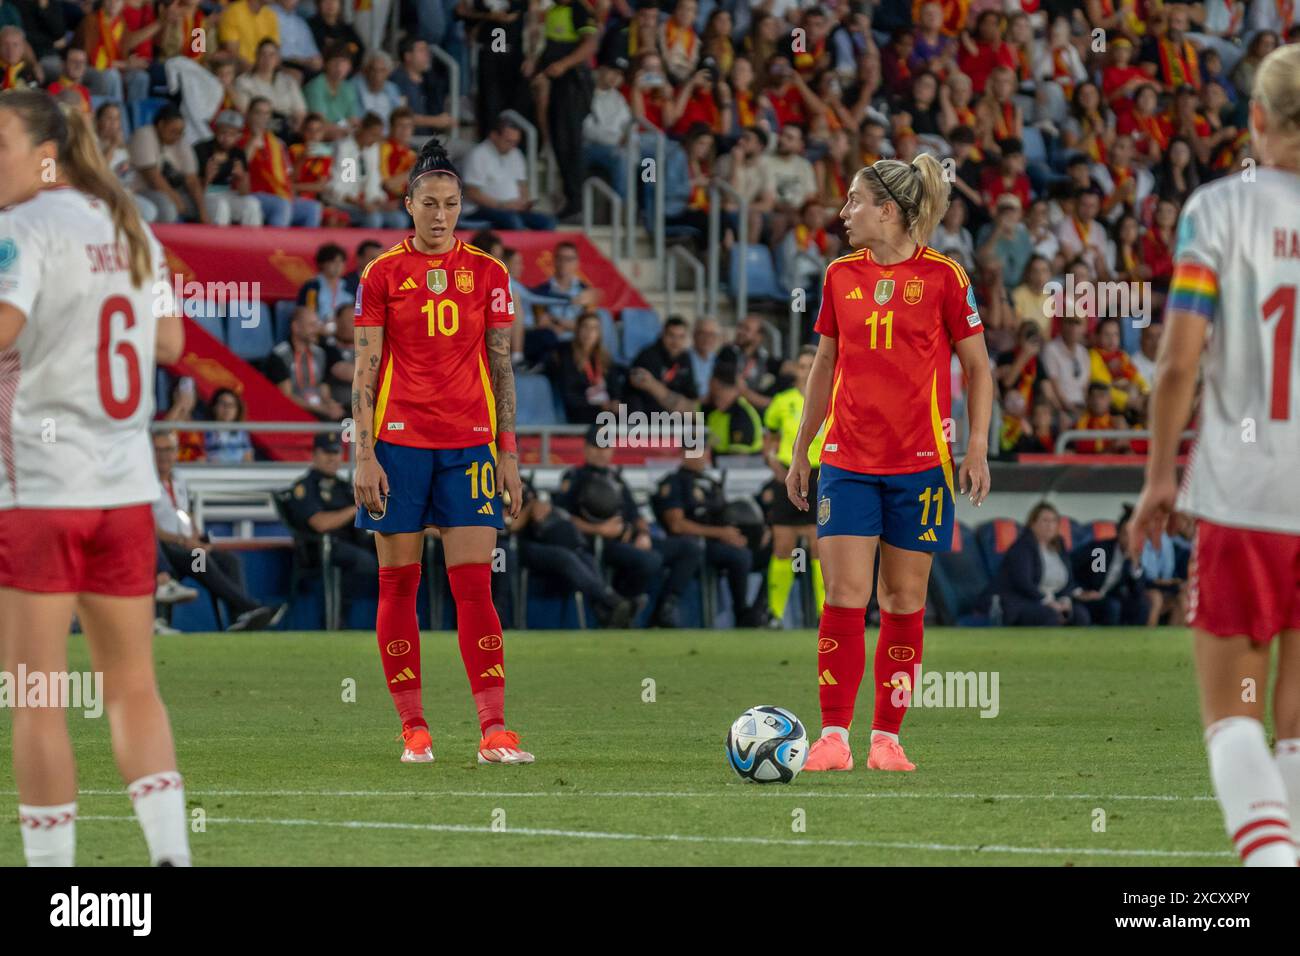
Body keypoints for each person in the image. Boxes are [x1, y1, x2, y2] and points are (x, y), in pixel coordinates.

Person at [0, 89, 191, 867]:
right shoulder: (127, 221)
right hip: (123, 492)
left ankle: (54, 890)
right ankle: (172, 861)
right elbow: (173, 341)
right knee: (132, 687)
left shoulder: (22, 227)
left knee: (39, 698)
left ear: (44, 150)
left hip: (43, 491)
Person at [1129, 46, 1300, 867]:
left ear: (1257, 121)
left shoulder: (1219, 210)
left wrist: (1161, 475)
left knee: (1235, 713)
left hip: (1244, 496)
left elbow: (1177, 361)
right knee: (1297, 724)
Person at [786, 153, 993, 774]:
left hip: (921, 464)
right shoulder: (838, 276)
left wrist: (976, 446)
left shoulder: (945, 278)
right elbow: (824, 366)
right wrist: (804, 447)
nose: (843, 212)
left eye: (853, 201)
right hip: (848, 460)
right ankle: (832, 736)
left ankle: (887, 738)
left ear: (890, 211)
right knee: (844, 596)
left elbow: (979, 366)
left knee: (902, 601)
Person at [351, 137, 533, 766]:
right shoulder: (380, 273)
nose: (440, 215)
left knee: (475, 588)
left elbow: (501, 366)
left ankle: (494, 729)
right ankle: (414, 729)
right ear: (407, 204)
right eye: (428, 203)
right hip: (398, 447)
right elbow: (365, 369)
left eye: (451, 204)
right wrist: (363, 454)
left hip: (470, 447)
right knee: (398, 586)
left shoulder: (490, 272)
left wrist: (508, 453)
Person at [152, 431, 283, 631]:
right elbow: (150, 527)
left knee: (229, 560)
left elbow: (186, 513)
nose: (163, 455)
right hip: (167, 551)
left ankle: (237, 618)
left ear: (176, 452)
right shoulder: (147, 483)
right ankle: (250, 607)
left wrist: (196, 536)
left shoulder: (179, 480)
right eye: (158, 450)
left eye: (168, 449)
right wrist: (183, 541)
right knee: (202, 561)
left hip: (187, 547)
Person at [652, 447, 766, 627]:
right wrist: (720, 533)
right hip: (687, 544)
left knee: (758, 553)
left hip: (714, 543)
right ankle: (665, 609)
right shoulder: (674, 482)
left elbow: (723, 516)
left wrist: (735, 535)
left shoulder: (711, 484)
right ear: (683, 454)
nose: (702, 455)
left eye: (704, 450)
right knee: (699, 550)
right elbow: (677, 525)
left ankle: (750, 613)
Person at [762, 345, 825, 627]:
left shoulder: (830, 397)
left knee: (818, 545)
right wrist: (773, 464)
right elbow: (770, 438)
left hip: (819, 475)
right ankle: (775, 614)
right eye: (802, 366)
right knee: (782, 545)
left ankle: (826, 615)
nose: (807, 370)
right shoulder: (782, 401)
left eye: (812, 365)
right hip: (789, 474)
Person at [283, 433, 379, 582]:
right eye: (327, 452)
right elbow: (320, 524)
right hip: (323, 548)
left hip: (353, 542)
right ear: (314, 455)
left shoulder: (343, 486)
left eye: (336, 452)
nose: (332, 458)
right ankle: (354, 605)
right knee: (366, 562)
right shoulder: (304, 488)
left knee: (394, 551)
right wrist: (356, 508)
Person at [997, 502, 1095, 626]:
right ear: (1033, 524)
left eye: (1054, 521)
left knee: (1081, 615)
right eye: (1045, 521)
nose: (1050, 525)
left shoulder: (1059, 544)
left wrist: (1065, 600)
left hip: (1055, 600)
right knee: (1049, 615)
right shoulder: (1022, 546)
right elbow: (1023, 583)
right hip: (1028, 601)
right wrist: (1048, 602)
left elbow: (1068, 579)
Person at [204, 388, 255, 463]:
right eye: (223, 404)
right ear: (214, 407)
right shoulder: (204, 431)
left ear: (237, 410)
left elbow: (248, 459)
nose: (227, 408)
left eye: (231, 405)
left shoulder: (241, 432)